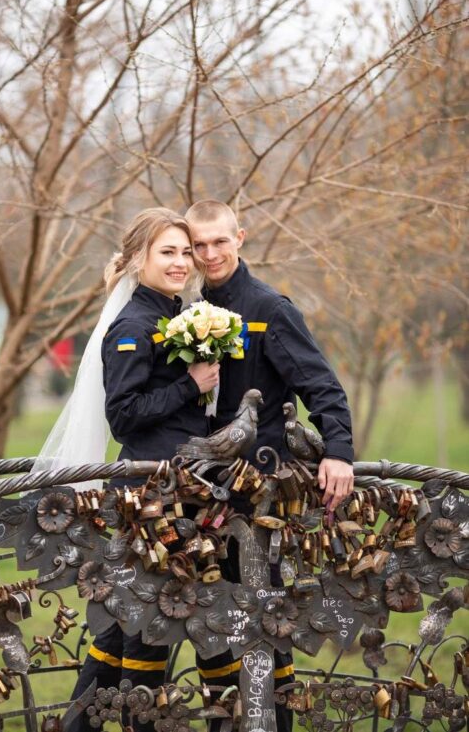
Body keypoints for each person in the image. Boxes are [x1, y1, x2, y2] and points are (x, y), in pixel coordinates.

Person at [37, 208, 219, 732]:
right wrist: (192, 385)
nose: (182, 262)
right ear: (140, 259)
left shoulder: (172, 315)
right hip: (146, 499)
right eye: (168, 251)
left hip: (173, 492)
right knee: (145, 625)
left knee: (121, 629)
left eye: (186, 252)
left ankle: (78, 726)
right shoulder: (135, 324)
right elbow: (123, 416)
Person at [185, 199, 355, 732]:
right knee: (212, 628)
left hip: (260, 502)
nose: (210, 254)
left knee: (265, 630)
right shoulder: (185, 310)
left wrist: (339, 453)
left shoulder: (269, 308)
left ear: (241, 237)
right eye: (199, 245)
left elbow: (321, 385)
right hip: (201, 498)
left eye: (220, 241)